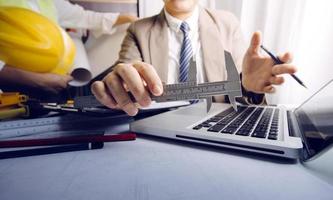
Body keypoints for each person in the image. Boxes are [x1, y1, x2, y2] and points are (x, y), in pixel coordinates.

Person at [91, 0, 297, 116]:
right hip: (160, 136)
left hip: (218, 131)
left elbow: (241, 95)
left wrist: (248, 86)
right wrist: (120, 83)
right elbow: (123, 70)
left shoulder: (227, 23)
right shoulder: (139, 29)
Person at [0, 0, 137, 94]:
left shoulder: (48, 2)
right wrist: (37, 80)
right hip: (11, 92)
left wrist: (129, 19)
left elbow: (84, 17)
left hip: (53, 86)